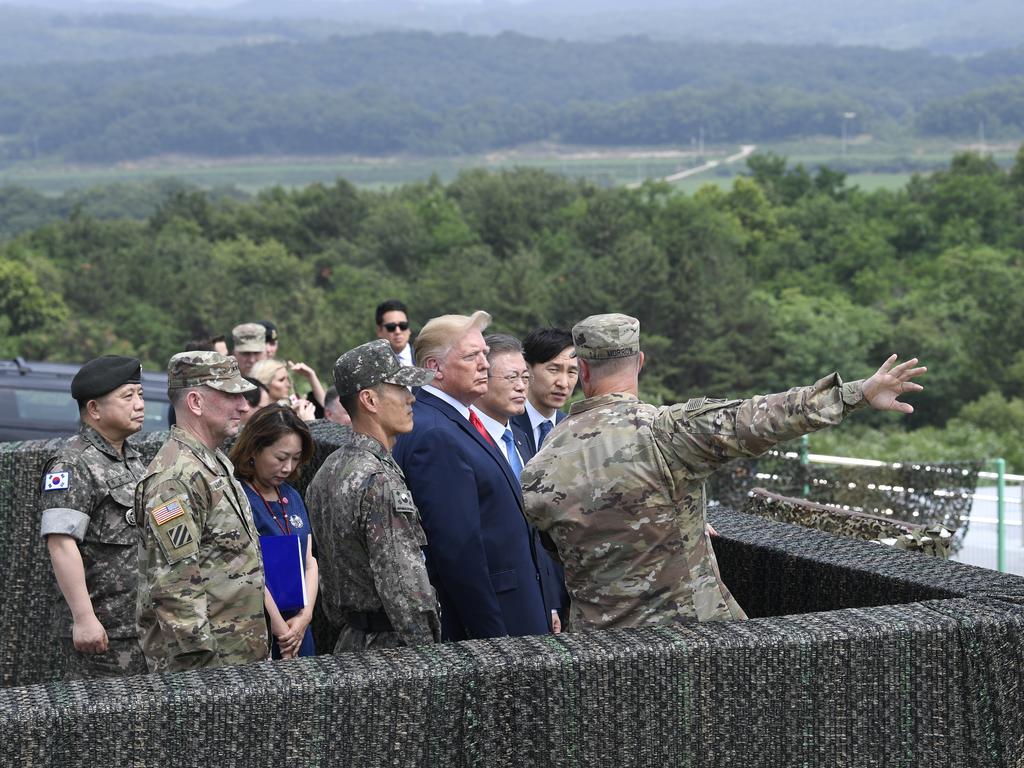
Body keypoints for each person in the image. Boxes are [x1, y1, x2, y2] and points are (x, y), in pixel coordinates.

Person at [522, 313, 927, 632]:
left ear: (584, 372)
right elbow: (757, 418)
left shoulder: (541, 462)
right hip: (690, 642)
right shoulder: (665, 432)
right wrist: (856, 393)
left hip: (596, 652)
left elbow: (559, 547)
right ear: (640, 362)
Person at [393, 312, 550, 640]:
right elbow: (458, 551)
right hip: (495, 623)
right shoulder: (435, 433)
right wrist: (492, 636)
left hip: (515, 606)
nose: (485, 365)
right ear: (434, 368)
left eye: (484, 354)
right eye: (471, 356)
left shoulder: (454, 420)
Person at [135, 351, 268, 672]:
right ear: (195, 402)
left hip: (238, 656)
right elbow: (175, 588)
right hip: (208, 670)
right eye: (231, 395)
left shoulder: (214, 461)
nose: (244, 406)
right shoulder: (174, 477)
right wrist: (204, 675)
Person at [305, 339, 440, 650]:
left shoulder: (329, 469)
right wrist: (429, 654)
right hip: (391, 651)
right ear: (369, 400)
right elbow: (404, 588)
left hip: (350, 643)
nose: (411, 399)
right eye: (399, 389)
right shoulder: (377, 479)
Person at [39, 355, 149, 678]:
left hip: (138, 626)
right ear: (94, 409)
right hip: (102, 633)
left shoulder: (131, 458)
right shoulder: (73, 464)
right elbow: (60, 544)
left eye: (140, 395)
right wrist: (84, 618)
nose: (139, 404)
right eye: (128, 397)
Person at [473, 334, 566, 634]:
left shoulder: (520, 439)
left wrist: (549, 602)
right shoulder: (463, 441)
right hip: (493, 610)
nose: (521, 385)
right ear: (481, 378)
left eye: (524, 377)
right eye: (511, 377)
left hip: (535, 600)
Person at [230, 405, 318, 659]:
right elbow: (248, 569)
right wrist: (281, 629)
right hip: (262, 629)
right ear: (254, 450)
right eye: (280, 458)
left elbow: (309, 562)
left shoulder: (292, 496)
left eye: (295, 458)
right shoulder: (239, 497)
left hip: (299, 625)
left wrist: (305, 617)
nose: (288, 467)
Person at [511, 327, 578, 455]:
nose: (563, 383)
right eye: (553, 370)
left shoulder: (574, 430)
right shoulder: (505, 423)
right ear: (527, 369)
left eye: (572, 372)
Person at [250, 358, 323, 422]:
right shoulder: (255, 416)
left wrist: (311, 375)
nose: (289, 385)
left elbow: (326, 407)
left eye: (287, 379)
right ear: (264, 383)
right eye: (281, 380)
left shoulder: (285, 408)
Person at [375, 299, 414, 366]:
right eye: (391, 327)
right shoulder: (372, 364)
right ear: (379, 331)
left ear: (409, 329)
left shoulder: (425, 358)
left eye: (403, 325)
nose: (398, 331)